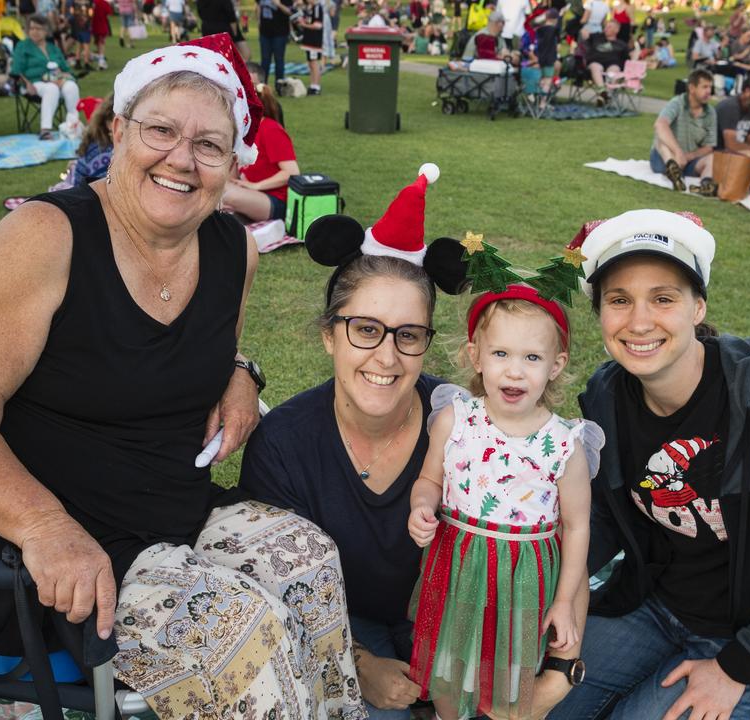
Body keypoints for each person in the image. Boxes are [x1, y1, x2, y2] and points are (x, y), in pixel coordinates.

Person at [0, 34, 365, 719]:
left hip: (159, 507)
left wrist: (242, 372)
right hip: (23, 532)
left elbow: (186, 358)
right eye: (161, 130)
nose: (182, 158)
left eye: (210, 145)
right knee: (237, 636)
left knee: (308, 559)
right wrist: (43, 525)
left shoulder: (232, 248)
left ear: (232, 164)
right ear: (118, 130)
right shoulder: (45, 237)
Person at [240, 168, 568, 720]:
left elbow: (553, 524)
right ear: (328, 334)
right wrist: (359, 661)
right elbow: (266, 593)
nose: (387, 358)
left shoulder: (473, 426)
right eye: (365, 329)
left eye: (408, 335)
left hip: (463, 622)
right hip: (341, 623)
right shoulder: (284, 445)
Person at [547, 208, 750, 720]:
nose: (640, 321)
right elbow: (606, 514)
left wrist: (737, 668)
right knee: (538, 694)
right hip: (653, 606)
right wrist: (551, 585)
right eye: (619, 300)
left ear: (698, 308)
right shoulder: (607, 397)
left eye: (664, 298)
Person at [408, 284, 602, 720]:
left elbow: (577, 526)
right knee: (451, 660)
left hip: (524, 575)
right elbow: (428, 480)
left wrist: (565, 600)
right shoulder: (455, 420)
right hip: (460, 562)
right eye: (501, 355)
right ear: (476, 356)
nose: (515, 372)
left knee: (511, 671)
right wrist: (422, 506)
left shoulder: (565, 444)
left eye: (532, 358)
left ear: (557, 365)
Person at [224, 82, 297, 222]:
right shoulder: (243, 133)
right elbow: (233, 177)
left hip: (276, 201)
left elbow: (292, 172)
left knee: (222, 193)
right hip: (253, 196)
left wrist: (256, 186)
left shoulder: (270, 129)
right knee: (213, 186)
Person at [11, 14, 81, 140]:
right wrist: (27, 84)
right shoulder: (22, 46)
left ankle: (73, 125)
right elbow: (16, 70)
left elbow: (66, 68)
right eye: (32, 28)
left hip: (57, 80)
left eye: (38, 29)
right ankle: (45, 130)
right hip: (34, 83)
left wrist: (65, 75)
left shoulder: (53, 48)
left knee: (71, 86)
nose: (34, 32)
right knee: (51, 89)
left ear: (46, 31)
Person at [651, 68, 716, 191]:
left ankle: (706, 185)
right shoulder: (677, 103)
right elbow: (660, 124)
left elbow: (709, 146)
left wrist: (688, 156)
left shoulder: (710, 112)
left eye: (710, 87)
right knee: (660, 139)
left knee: (712, 157)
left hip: (689, 160)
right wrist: (678, 152)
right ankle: (674, 171)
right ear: (692, 88)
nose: (709, 91)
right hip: (664, 159)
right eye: (704, 87)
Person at [714, 74, 750, 158]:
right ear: (747, 91)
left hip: (733, 154)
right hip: (717, 153)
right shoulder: (730, 107)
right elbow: (731, 145)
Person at [584, 20, 635, 104]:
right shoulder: (597, 37)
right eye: (606, 26)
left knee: (614, 70)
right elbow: (583, 33)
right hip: (595, 63)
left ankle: (605, 94)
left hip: (613, 64)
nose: (606, 28)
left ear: (616, 30)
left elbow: (632, 55)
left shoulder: (621, 44)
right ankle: (602, 91)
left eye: (609, 27)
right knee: (596, 66)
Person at [256, 0, 291, 85]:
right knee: (265, 60)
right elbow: (258, 6)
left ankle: (279, 86)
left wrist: (278, 4)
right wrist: (258, 22)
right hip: (264, 32)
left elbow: (290, 11)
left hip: (280, 33)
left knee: (279, 60)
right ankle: (262, 86)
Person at [295, 0, 323, 94]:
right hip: (309, 39)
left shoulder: (317, 7)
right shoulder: (309, 7)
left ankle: (316, 86)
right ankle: (312, 84)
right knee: (310, 63)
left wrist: (304, 25)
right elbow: (309, 20)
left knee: (314, 63)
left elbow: (318, 25)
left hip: (314, 40)